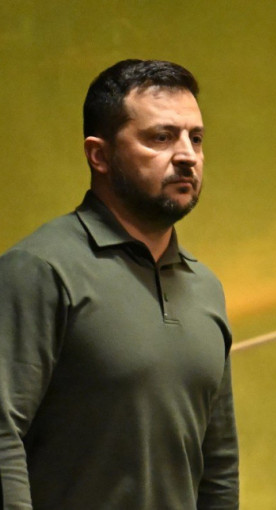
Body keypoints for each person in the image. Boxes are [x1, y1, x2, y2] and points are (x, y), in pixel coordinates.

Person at [0, 59, 239, 509]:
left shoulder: (206, 288)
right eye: (161, 137)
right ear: (100, 155)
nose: (187, 155)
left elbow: (219, 463)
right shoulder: (40, 269)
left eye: (196, 138)